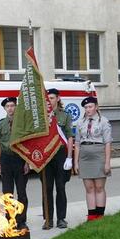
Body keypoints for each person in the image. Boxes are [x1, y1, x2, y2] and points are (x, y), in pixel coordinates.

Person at [73, 96, 111, 221]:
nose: (88, 109)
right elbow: (77, 143)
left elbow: (107, 143)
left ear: (96, 107)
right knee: (89, 188)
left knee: (99, 187)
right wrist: (76, 162)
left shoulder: (103, 121)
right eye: (86, 107)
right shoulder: (80, 123)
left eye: (90, 107)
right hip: (84, 157)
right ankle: (91, 216)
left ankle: (100, 215)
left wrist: (107, 163)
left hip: (98, 154)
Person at [0, 97, 29, 230]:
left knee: (21, 192)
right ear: (5, 108)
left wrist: (27, 161)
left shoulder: (22, 123)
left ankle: (21, 220)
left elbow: (27, 142)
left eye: (12, 106)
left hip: (20, 159)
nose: (10, 108)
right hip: (6, 159)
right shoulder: (0, 124)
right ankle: (10, 220)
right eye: (8, 106)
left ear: (16, 107)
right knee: (8, 193)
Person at [43, 88, 74, 229]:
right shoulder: (41, 117)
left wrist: (69, 157)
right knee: (47, 188)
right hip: (46, 156)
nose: (50, 100)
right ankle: (48, 219)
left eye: (52, 97)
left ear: (58, 99)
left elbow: (69, 136)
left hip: (60, 154)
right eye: (48, 97)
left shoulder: (64, 116)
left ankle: (61, 218)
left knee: (60, 187)